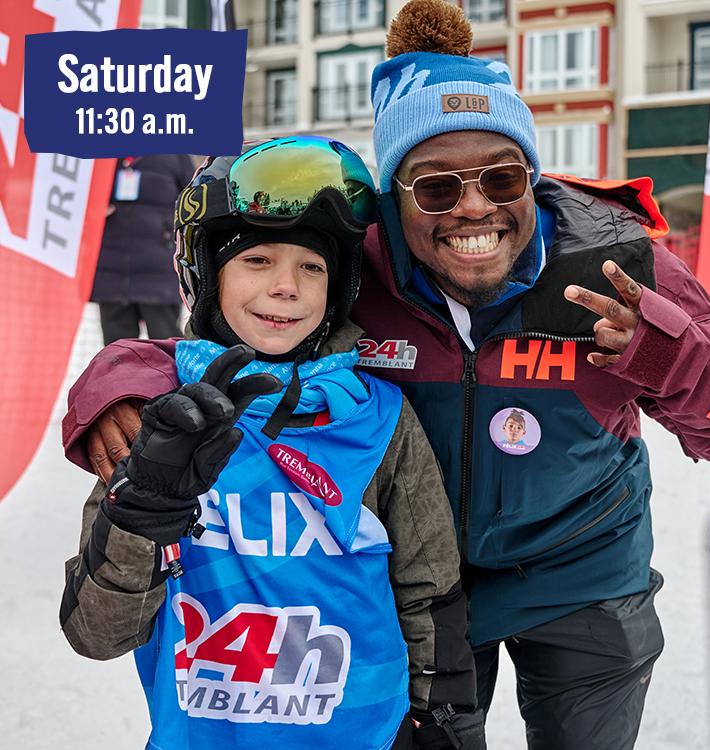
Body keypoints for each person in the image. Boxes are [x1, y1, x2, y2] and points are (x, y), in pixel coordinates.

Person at [61, 1, 710, 748]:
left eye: (502, 176)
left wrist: (671, 355)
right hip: (429, 587)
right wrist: (116, 384)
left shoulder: (618, 266)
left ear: (531, 176)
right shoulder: (358, 267)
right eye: (437, 188)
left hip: (581, 570)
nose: (474, 208)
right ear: (393, 203)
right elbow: (220, 339)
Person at [60, 136, 484, 750]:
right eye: (257, 260)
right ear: (206, 274)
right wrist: (142, 511)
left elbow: (429, 583)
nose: (287, 287)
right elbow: (97, 634)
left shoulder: (381, 418)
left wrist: (444, 718)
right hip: (205, 734)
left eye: (312, 267)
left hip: (364, 731)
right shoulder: (160, 420)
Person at [91, 154, 195, 344]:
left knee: (167, 347)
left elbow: (194, 203)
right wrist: (95, 207)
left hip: (159, 271)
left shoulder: (176, 155)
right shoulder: (100, 155)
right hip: (112, 271)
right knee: (117, 353)